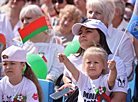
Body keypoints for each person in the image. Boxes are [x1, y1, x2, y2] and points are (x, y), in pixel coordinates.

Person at [59, 19, 129, 102]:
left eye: (88, 31)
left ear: (101, 35)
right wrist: (68, 83)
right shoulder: (72, 58)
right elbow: (66, 75)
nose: (82, 35)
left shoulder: (115, 62)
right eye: (80, 33)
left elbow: (120, 97)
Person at [73, 0, 135, 82]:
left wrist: (108, 82)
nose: (92, 16)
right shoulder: (80, 35)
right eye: (90, 12)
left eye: (98, 13)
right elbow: (71, 64)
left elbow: (129, 72)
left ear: (107, 15)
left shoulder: (122, 37)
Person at [9, 5, 64, 84]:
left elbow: (57, 68)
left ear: (39, 19)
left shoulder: (55, 42)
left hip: (45, 87)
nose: (25, 22)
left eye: (28, 18)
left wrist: (45, 83)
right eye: (22, 20)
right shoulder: (17, 43)